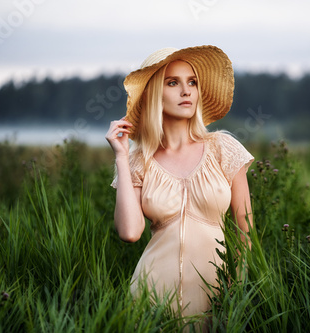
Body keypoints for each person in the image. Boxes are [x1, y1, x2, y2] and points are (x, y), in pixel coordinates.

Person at [105, 45, 254, 322]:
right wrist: (122, 157)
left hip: (217, 296)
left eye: (192, 82)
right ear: (153, 94)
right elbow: (130, 232)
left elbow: (246, 231)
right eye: (173, 83)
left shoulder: (223, 148)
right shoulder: (140, 161)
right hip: (150, 298)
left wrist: (238, 286)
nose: (186, 91)